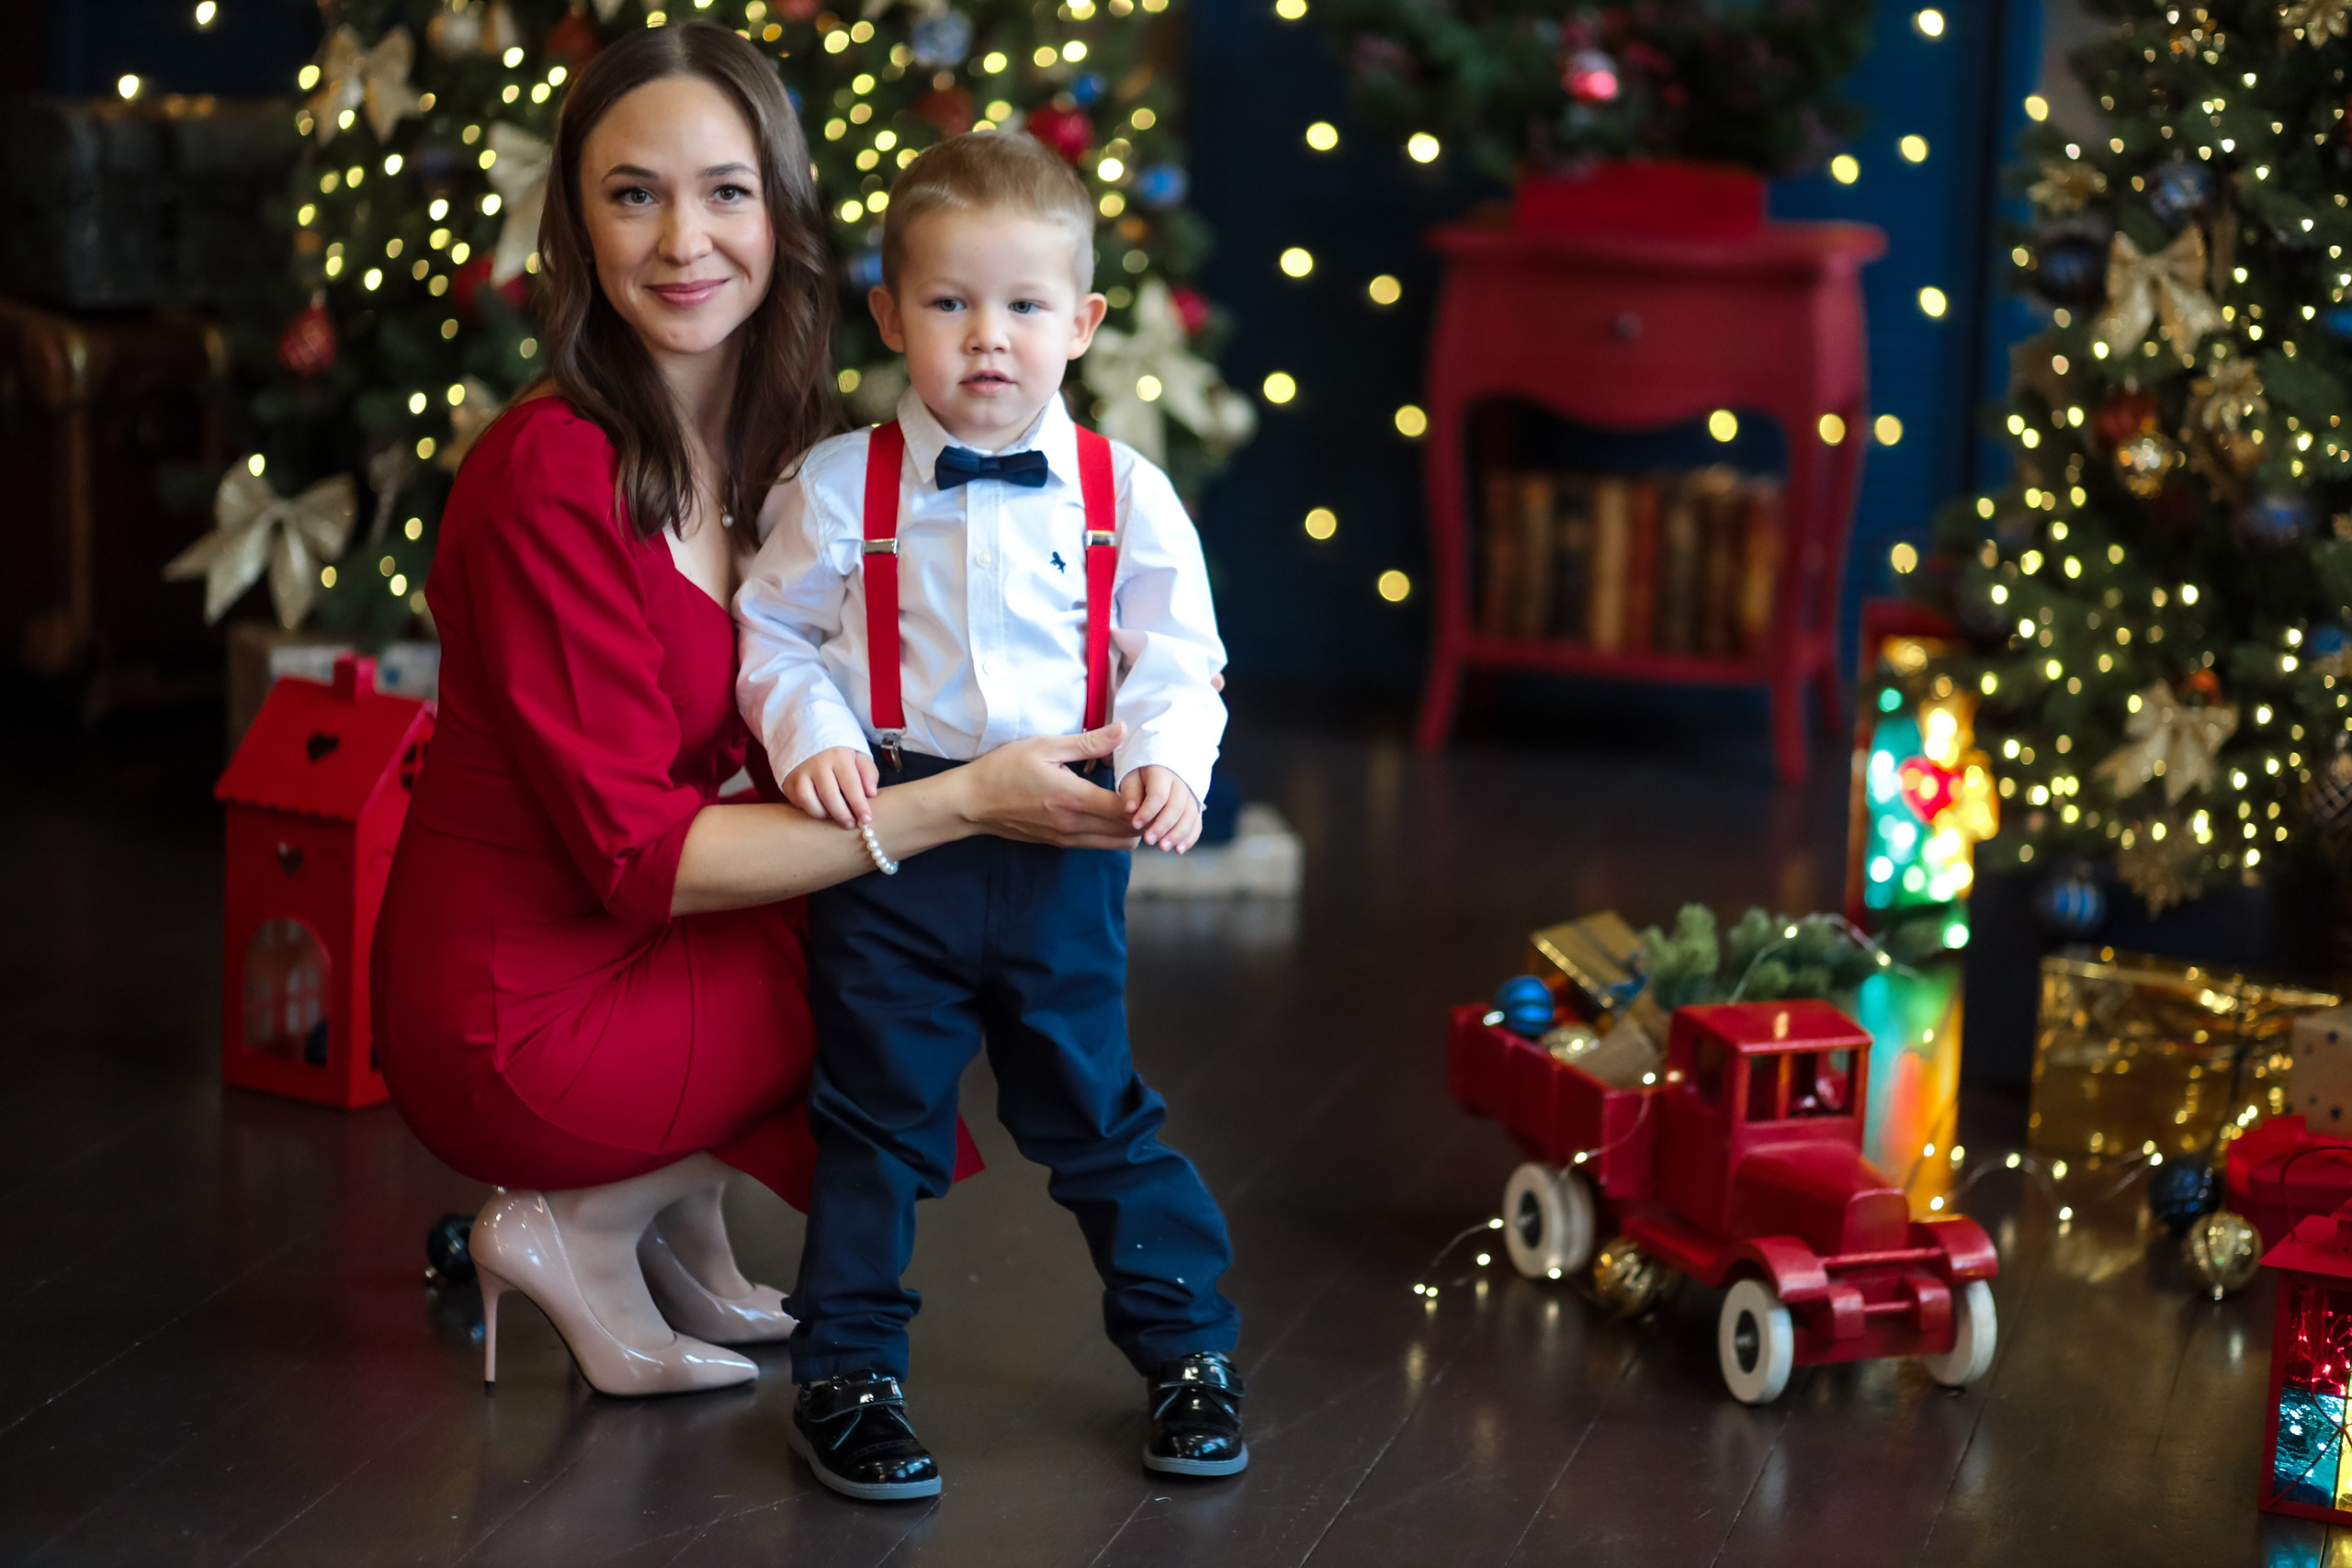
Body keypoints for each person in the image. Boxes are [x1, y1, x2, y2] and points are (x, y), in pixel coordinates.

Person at [372, 24, 1139, 1404]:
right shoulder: (552, 475)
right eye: (632, 194)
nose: (684, 240)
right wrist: (965, 799)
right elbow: (641, 856)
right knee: (912, 959)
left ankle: (678, 1219)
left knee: (933, 922)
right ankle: (574, 1220)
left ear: (782, 214)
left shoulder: (788, 455)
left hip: (639, 946)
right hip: (523, 1009)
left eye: (725, 192)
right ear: (578, 226)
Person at [735, 130, 1244, 1503]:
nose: (987, 341)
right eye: (950, 305)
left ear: (1079, 324)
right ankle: (845, 1370)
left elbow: (1176, 660)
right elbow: (771, 637)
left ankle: (1188, 1351)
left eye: (1023, 308)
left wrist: (1171, 763)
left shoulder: (1126, 495)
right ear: (891, 314)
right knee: (877, 1117)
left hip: (1062, 859)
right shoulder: (838, 489)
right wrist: (816, 737)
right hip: (896, 845)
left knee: (1094, 1111)